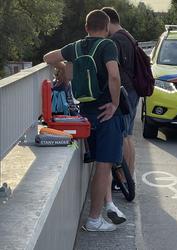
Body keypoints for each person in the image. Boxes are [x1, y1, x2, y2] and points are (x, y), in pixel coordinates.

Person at [43, 9, 126, 232]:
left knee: (100, 163)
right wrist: (115, 104)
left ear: (86, 28)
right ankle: (94, 219)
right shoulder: (108, 46)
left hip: (86, 113)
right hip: (107, 114)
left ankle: (103, 209)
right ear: (107, 28)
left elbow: (48, 58)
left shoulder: (77, 47)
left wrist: (61, 68)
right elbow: (114, 75)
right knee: (103, 166)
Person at [102, 7, 139, 178]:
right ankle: (129, 176)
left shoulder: (115, 40)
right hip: (133, 90)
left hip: (124, 92)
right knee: (129, 135)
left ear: (108, 22)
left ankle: (124, 178)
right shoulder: (128, 36)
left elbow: (114, 72)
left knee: (123, 136)